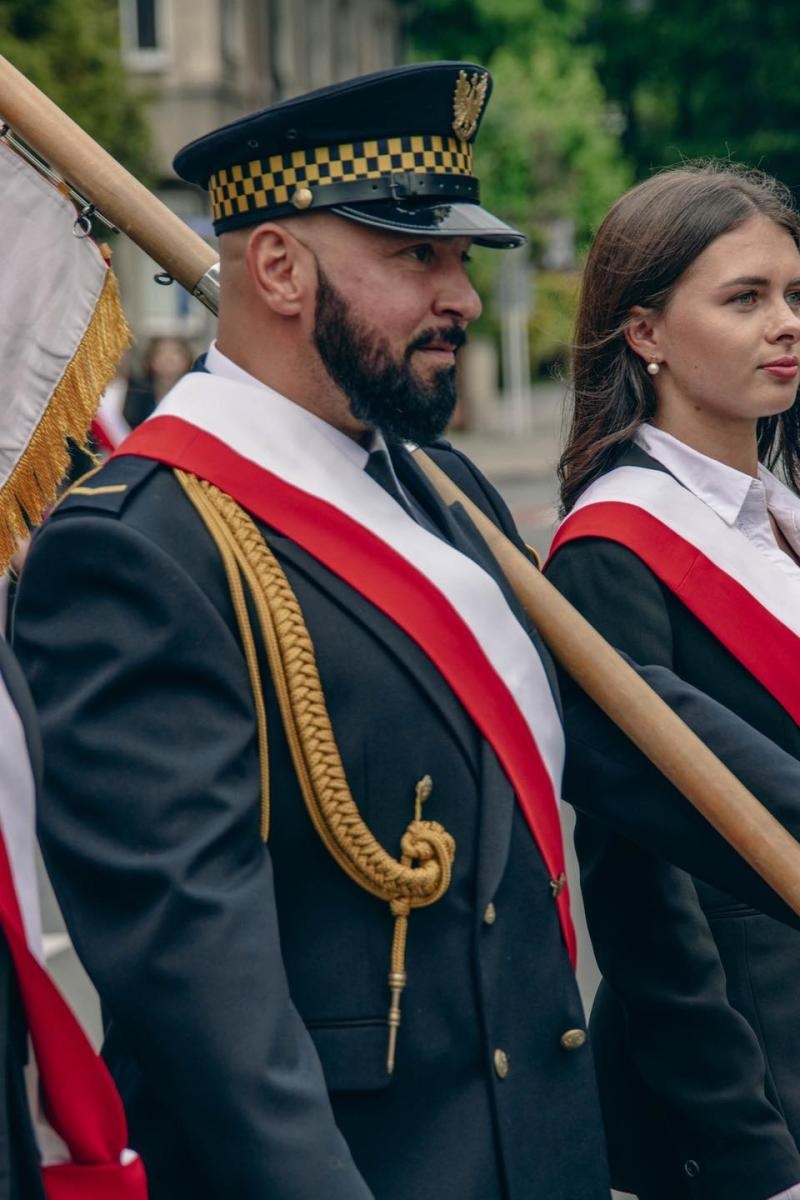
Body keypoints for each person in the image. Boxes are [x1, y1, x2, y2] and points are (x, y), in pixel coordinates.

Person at [15, 65, 800, 1200]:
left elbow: (632, 727)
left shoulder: (439, 485)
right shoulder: (142, 547)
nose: (463, 300)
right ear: (277, 268)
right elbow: (205, 997)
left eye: (458, 260)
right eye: (412, 257)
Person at [546, 163, 800, 1200]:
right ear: (643, 332)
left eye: (791, 295)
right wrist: (749, 1155)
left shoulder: (777, 514)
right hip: (753, 1091)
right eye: (742, 299)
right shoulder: (609, 550)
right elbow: (639, 903)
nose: (783, 324)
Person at [123, 336, 194, 428]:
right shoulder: (136, 394)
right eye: (160, 353)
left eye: (176, 353)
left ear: (187, 359)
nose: (168, 358)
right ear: (150, 360)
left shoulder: (194, 394)